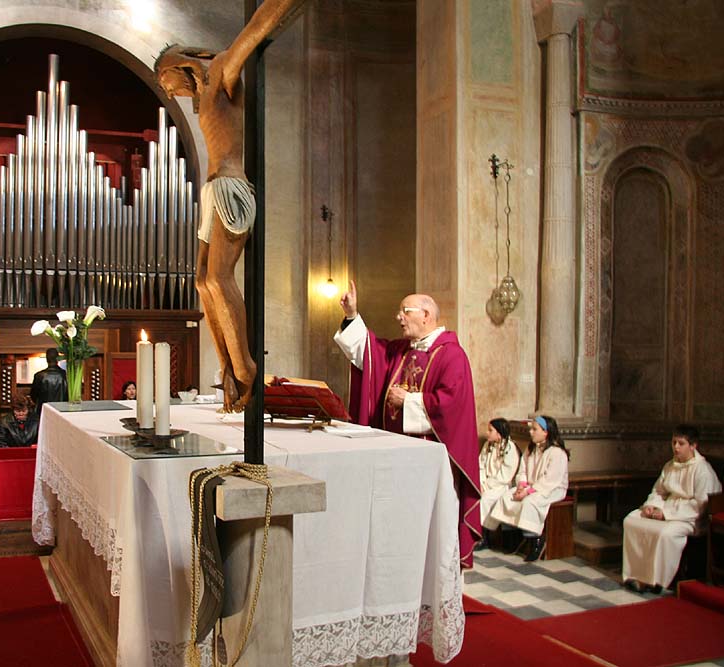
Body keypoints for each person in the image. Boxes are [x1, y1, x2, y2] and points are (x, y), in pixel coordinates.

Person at [154, 0, 300, 413]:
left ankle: (246, 365)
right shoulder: (205, 93)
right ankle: (227, 367)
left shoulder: (220, 70)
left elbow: (253, 32)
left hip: (231, 186)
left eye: (166, 81)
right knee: (201, 281)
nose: (169, 92)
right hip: (212, 188)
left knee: (219, 278)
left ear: (177, 64)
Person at [333, 281, 481, 567]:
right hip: (398, 458)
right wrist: (352, 315)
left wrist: (410, 401)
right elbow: (368, 354)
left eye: (405, 311)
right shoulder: (401, 351)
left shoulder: (452, 355)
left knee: (430, 534)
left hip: (432, 464)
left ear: (426, 315)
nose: (398, 317)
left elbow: (453, 406)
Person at [622, 424, 722, 593]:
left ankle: (656, 581)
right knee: (631, 520)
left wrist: (666, 514)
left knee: (665, 533)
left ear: (693, 445)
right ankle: (635, 575)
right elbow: (659, 491)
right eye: (674, 442)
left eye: (681, 443)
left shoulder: (703, 470)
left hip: (689, 518)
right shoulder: (670, 465)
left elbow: (701, 505)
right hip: (666, 509)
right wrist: (652, 506)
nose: (676, 447)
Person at [485, 415, 569, 562]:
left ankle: (535, 540)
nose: (530, 432)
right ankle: (512, 539)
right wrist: (521, 486)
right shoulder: (531, 449)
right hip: (529, 486)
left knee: (529, 503)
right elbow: (522, 471)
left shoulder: (557, 453)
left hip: (551, 489)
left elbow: (550, 480)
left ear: (546, 432)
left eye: (534, 429)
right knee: (507, 498)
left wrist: (528, 491)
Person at [476, 418, 520, 551]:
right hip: (486, 483)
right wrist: (481, 483)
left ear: (499, 433)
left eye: (490, 430)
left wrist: (487, 486)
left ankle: (484, 537)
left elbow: (505, 476)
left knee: (485, 500)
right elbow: (480, 466)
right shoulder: (487, 445)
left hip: (501, 486)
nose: (487, 433)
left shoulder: (510, 448)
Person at [31, 348, 67, 414]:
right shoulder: (65, 375)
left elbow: (33, 396)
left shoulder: (39, 376)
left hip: (44, 412)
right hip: (62, 411)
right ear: (58, 359)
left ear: (47, 359)